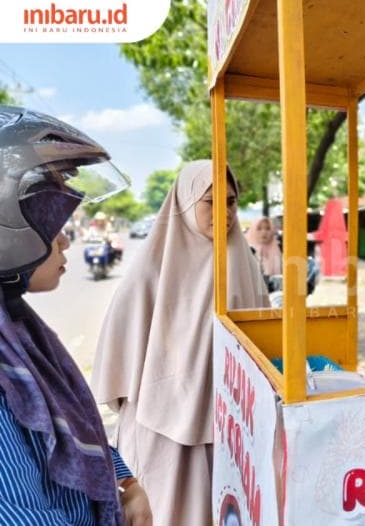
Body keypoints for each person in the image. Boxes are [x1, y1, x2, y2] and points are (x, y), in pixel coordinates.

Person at [91, 160, 268, 525]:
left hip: (229, 428)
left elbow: (262, 339)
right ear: (185, 203)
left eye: (231, 201)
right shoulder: (150, 270)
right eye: (210, 201)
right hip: (164, 431)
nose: (225, 212)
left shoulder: (245, 264)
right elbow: (118, 361)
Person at [0, 105, 151, 524]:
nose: (65, 241)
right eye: (51, 220)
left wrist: (124, 480)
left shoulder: (18, 332)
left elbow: (66, 422)